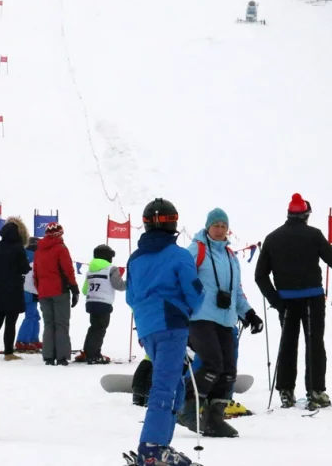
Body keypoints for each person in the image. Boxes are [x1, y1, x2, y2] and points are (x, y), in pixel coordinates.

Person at [126, 198, 204, 465]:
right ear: (174, 223)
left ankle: (161, 444)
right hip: (171, 323)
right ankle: (153, 447)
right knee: (166, 385)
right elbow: (193, 291)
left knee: (175, 385)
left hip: (147, 326)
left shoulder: (135, 259)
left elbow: (130, 296)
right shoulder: (178, 255)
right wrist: (191, 308)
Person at [254, 193, 332, 410]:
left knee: (287, 345)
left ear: (289, 214)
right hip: (312, 299)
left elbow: (260, 276)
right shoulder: (314, 235)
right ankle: (316, 392)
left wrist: (276, 300)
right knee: (314, 343)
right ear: (306, 215)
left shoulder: (272, 238)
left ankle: (286, 392)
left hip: (286, 301)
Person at [176, 208, 262, 437]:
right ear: (208, 227)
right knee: (212, 362)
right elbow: (181, 278)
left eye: (224, 226)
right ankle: (186, 408)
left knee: (229, 370)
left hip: (226, 320)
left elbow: (237, 292)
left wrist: (249, 313)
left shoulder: (231, 256)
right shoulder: (196, 249)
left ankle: (215, 419)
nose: (220, 229)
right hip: (201, 317)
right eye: (216, 225)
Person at [0, 217, 31, 360]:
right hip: (13, 290)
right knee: (11, 322)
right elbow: (24, 268)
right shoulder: (18, 247)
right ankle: (8, 353)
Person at [34, 222, 79, 366]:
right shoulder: (61, 248)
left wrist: (40, 288)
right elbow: (68, 270)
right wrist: (74, 288)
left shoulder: (39, 250)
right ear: (59, 234)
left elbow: (35, 274)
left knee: (48, 324)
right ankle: (61, 357)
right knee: (61, 324)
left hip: (43, 292)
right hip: (59, 291)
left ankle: (48, 356)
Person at [81, 244, 127, 364]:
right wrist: (130, 283)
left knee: (94, 327)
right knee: (100, 329)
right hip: (104, 303)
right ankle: (93, 355)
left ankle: (88, 351)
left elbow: (84, 290)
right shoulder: (112, 269)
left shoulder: (90, 270)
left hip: (91, 302)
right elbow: (119, 285)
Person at [15, 236, 41, 352]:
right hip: (31, 289)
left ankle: (33, 339)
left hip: (23, 288)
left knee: (34, 315)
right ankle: (23, 341)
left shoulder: (23, 254)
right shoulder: (37, 257)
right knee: (31, 315)